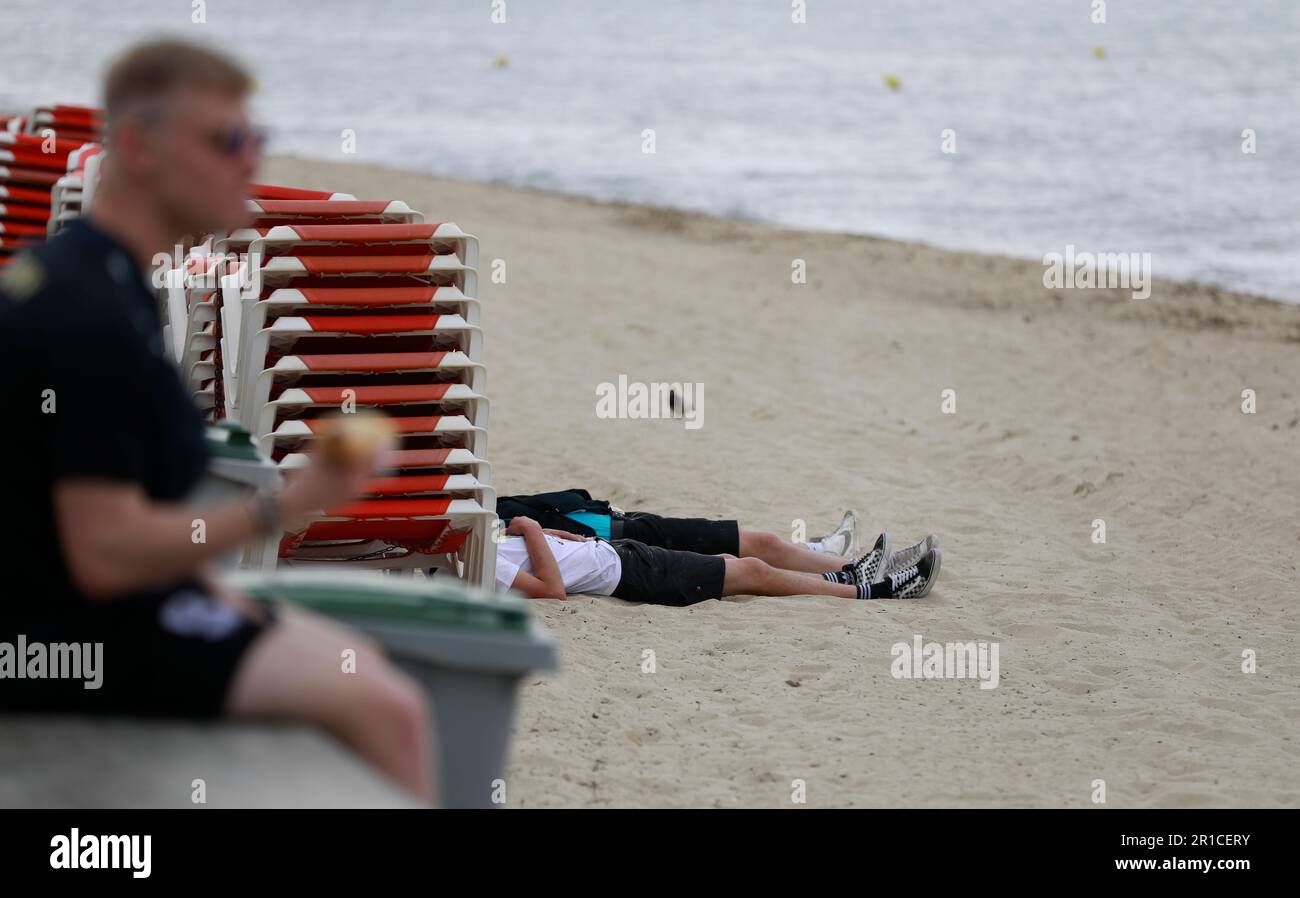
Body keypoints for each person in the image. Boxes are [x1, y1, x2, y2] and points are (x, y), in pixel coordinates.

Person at [0, 41, 432, 801]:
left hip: (80, 610)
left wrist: (219, 589)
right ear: (138, 146)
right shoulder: (87, 317)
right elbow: (102, 550)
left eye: (255, 139)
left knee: (357, 667)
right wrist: (288, 504)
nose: (248, 161)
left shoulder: (92, 274)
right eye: (225, 140)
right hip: (64, 642)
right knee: (388, 708)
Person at [496, 515, 941, 604]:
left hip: (618, 555)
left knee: (740, 561)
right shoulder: (476, 564)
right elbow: (551, 592)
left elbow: (542, 560)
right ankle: (871, 590)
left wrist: (551, 534)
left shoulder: (478, 544)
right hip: (630, 575)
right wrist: (533, 529)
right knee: (753, 571)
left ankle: (847, 573)